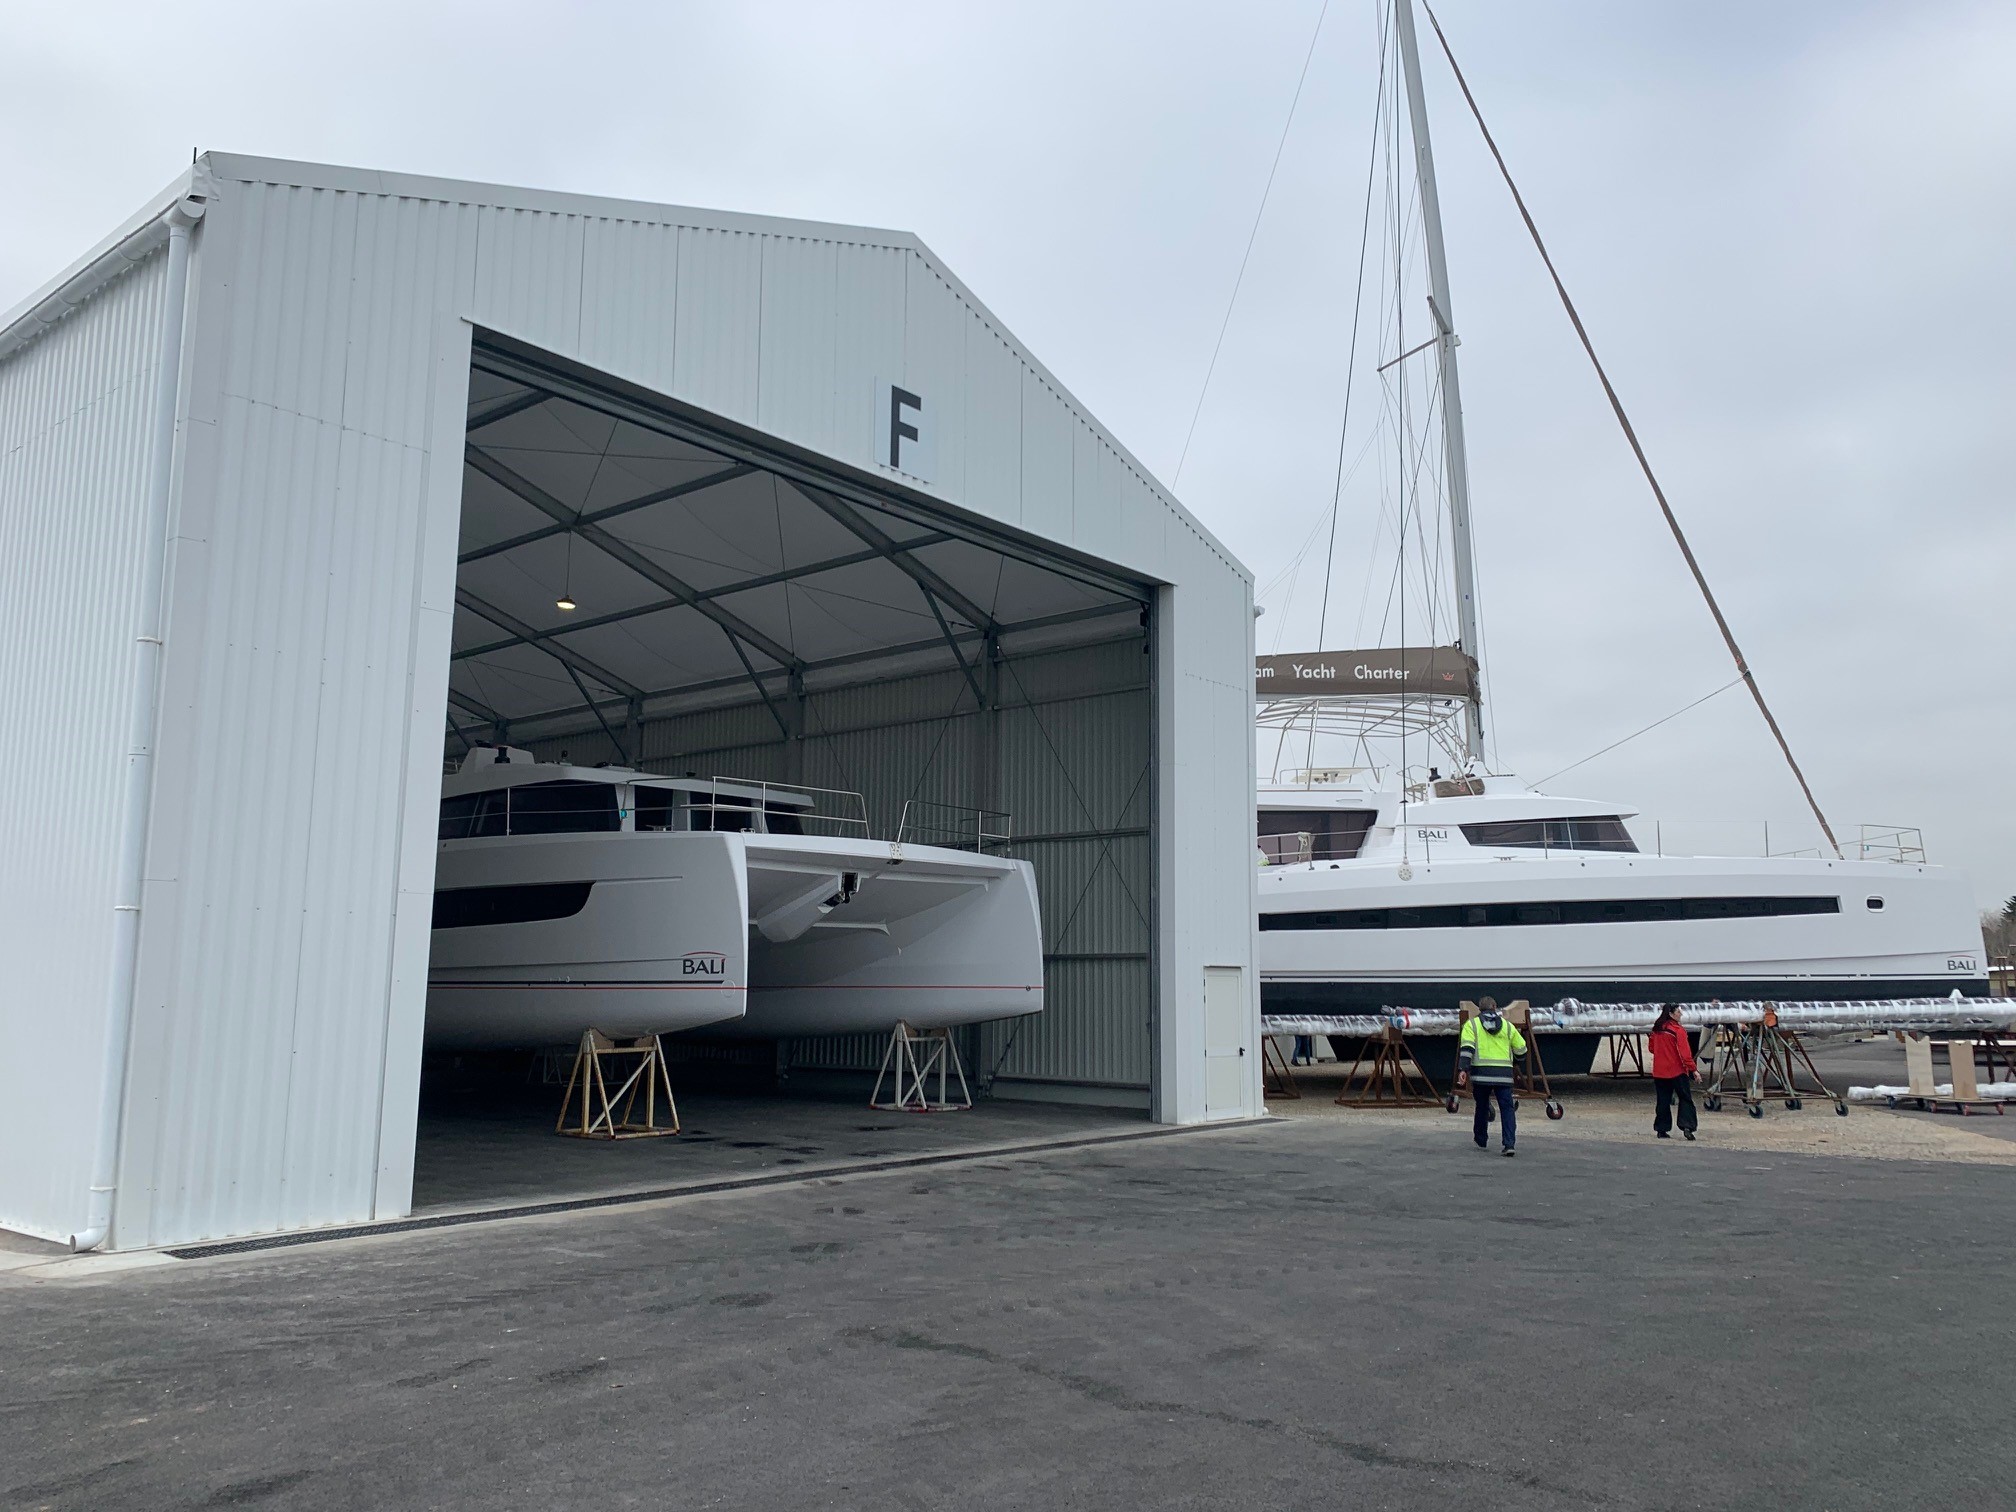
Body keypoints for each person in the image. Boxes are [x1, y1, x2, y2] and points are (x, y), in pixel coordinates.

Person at [1456, 999, 1527, 1157]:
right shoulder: (1508, 1026)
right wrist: (1514, 1061)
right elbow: (1522, 1049)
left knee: (1482, 1106)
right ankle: (1509, 1144)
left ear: (1479, 1009)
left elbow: (1467, 1048)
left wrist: (1463, 1070)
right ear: (1495, 1007)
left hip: (1481, 1075)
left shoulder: (1471, 1025)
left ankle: (1481, 1139)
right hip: (1504, 1075)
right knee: (1507, 1109)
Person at [1648, 1004, 1699, 1140]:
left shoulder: (1657, 1029)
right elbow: (1685, 1053)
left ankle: (1661, 1129)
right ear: (1671, 1014)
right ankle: (1687, 1126)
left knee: (1663, 1100)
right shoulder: (1678, 1030)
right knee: (1685, 1098)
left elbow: (1651, 1048)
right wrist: (1693, 1069)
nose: (1680, 1014)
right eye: (1678, 1012)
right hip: (1677, 1070)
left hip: (1659, 1071)